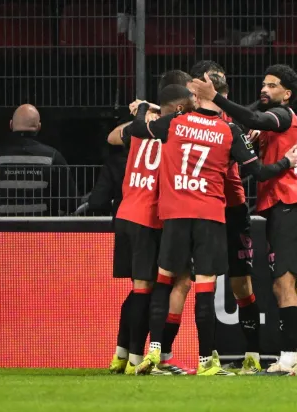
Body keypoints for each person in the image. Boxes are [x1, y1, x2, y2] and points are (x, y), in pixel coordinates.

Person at [129, 74, 297, 376]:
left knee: (166, 280)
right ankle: (207, 361)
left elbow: (137, 129)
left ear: (195, 98)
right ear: (216, 97)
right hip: (210, 215)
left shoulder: (175, 124)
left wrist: (143, 107)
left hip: (174, 214)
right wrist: (287, 162)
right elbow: (259, 173)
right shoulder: (228, 130)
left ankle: (155, 352)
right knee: (205, 288)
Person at [191, 64, 297, 376]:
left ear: (286, 94)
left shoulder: (282, 116)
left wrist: (216, 99)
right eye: (263, 84)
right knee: (293, 287)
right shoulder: (274, 124)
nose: (264, 89)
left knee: (284, 284)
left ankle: (287, 359)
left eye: (272, 86)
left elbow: (255, 119)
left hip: (290, 204)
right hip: (284, 206)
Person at [160, 62, 264, 375]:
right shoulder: (205, 120)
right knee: (194, 281)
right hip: (204, 207)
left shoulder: (231, 123)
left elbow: (248, 167)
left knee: (240, 284)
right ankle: (206, 355)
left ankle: (252, 356)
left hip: (231, 209)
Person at [107, 85, 195, 375]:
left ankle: (121, 355)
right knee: (147, 290)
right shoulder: (174, 133)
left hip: (125, 212)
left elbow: (113, 137)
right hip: (150, 216)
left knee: (137, 291)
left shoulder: (138, 129)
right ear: (180, 108)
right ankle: (137, 360)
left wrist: (144, 109)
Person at [0, 104, 77, 216]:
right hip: (43, 228)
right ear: (39, 126)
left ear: (11, 124)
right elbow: (70, 201)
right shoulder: (53, 157)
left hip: (2, 229)